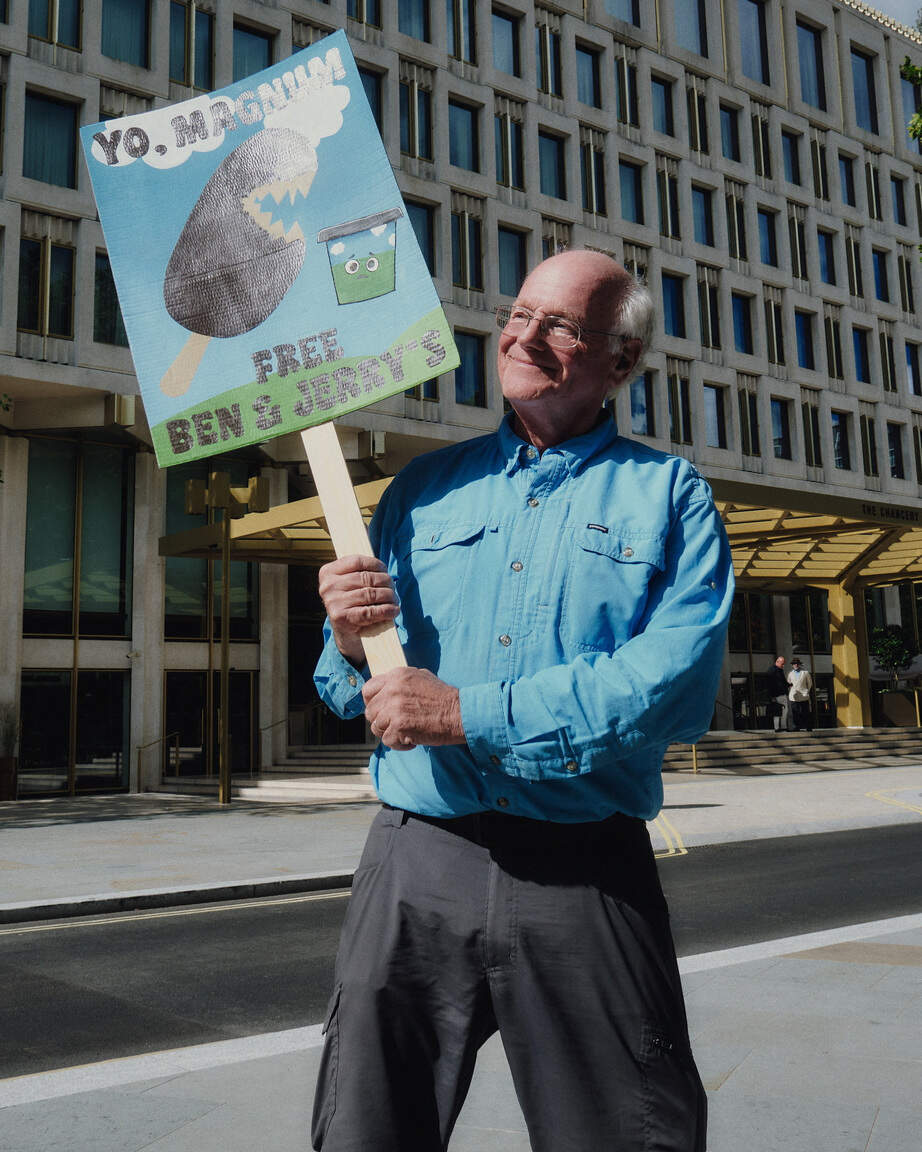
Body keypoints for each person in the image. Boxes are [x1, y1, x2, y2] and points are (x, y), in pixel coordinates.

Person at [311, 249, 734, 1152]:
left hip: (586, 874)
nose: (522, 335)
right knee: (364, 1130)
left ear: (618, 362)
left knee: (631, 1132)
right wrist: (349, 641)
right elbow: (347, 682)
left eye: (560, 325)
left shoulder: (671, 497)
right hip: (417, 859)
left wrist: (463, 714)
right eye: (518, 312)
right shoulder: (422, 491)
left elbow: (670, 687)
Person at [787, 657, 814, 731]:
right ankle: (796, 727)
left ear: (799, 664)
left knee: (806, 712)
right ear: (792, 665)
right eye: (794, 664)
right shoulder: (790, 674)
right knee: (795, 713)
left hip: (804, 695)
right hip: (794, 696)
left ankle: (808, 726)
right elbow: (789, 684)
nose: (795, 665)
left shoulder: (805, 673)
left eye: (796, 664)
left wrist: (806, 691)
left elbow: (810, 683)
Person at [768, 655, 790, 731]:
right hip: (778, 694)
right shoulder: (775, 670)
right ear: (777, 662)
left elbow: (783, 682)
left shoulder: (775, 670)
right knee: (781, 711)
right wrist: (772, 696)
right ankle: (780, 727)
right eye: (782, 663)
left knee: (780, 711)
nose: (783, 665)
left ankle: (779, 727)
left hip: (779, 694)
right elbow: (771, 684)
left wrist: (789, 685)